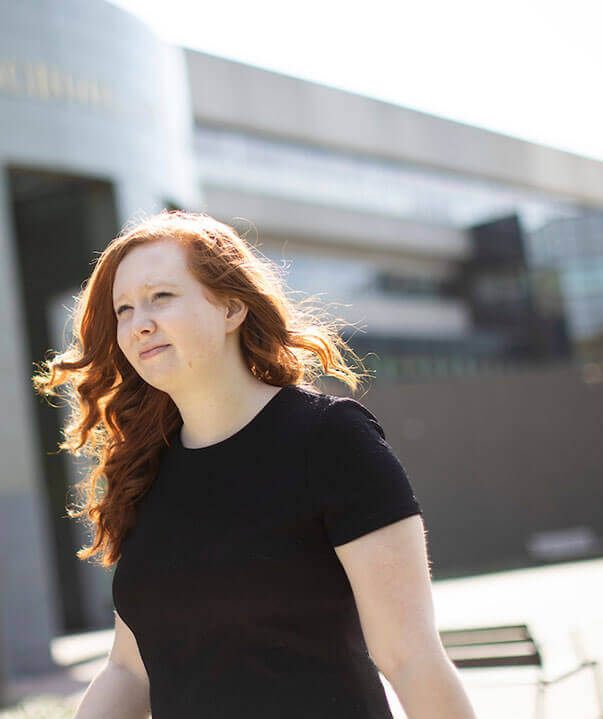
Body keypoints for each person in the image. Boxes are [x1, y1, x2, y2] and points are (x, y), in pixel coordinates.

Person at [32, 211, 477, 718]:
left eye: (162, 297)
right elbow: (129, 670)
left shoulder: (330, 440)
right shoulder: (144, 473)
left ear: (232, 307)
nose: (139, 324)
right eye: (124, 309)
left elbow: (412, 658)